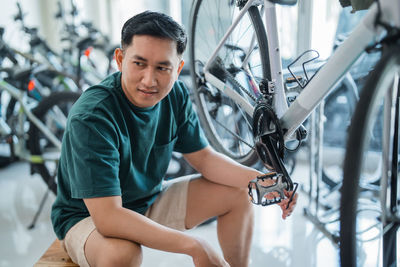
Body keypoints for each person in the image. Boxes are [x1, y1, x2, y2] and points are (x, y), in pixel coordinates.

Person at [51, 10, 297, 267]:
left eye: (162, 67)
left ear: (178, 68)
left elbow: (205, 159)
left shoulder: (175, 94)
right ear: (120, 59)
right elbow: (108, 217)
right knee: (122, 254)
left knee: (240, 192)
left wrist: (267, 182)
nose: (150, 79)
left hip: (147, 199)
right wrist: (194, 246)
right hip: (88, 215)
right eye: (139, 63)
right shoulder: (92, 116)